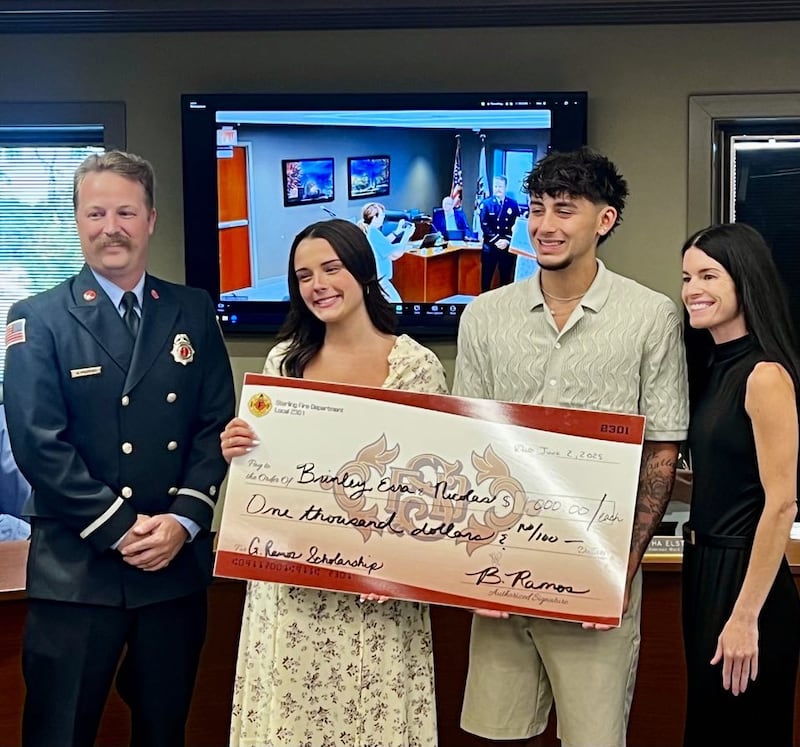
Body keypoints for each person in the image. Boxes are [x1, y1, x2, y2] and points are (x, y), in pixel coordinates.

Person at [454, 148, 688, 747]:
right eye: (536, 209)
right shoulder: (484, 315)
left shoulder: (649, 316)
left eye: (565, 209)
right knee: (498, 733)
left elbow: (661, 452)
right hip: (499, 571)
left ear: (603, 221)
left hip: (596, 576)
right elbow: (465, 441)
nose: (544, 225)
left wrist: (619, 571)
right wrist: (472, 570)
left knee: (593, 738)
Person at [3, 150, 235, 747]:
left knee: (166, 732)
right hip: (78, 569)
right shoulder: (37, 319)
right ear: (77, 221)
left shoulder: (192, 309)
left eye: (126, 211)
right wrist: (122, 527)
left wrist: (184, 521)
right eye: (96, 212)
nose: (112, 227)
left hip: (172, 567)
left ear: (151, 219)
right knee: (59, 733)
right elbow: (37, 444)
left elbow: (214, 425)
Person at [223, 218, 446, 747]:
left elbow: (431, 491)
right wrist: (239, 447)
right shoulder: (283, 363)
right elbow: (268, 479)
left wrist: (395, 568)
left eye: (331, 268)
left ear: (364, 272)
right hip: (291, 592)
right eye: (304, 276)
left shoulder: (414, 367)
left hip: (378, 593)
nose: (318, 284)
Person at [680, 223, 800, 747]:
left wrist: (745, 617)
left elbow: (780, 505)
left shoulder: (764, 376)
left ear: (744, 281)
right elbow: (720, 483)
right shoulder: (713, 369)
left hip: (746, 584)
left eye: (708, 274)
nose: (692, 289)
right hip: (704, 571)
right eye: (686, 277)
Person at [358, 201, 414, 301]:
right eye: (382, 215)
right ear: (374, 217)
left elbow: (383, 245)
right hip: (381, 282)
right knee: (397, 306)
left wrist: (398, 231)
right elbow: (395, 254)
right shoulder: (374, 233)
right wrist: (406, 236)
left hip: (374, 281)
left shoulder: (369, 231)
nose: (383, 218)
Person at [478, 175, 521, 291]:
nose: (498, 189)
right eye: (496, 186)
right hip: (490, 247)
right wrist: (497, 240)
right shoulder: (486, 204)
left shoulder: (513, 204)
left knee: (505, 279)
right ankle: (483, 303)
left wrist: (507, 240)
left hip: (506, 248)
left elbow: (516, 225)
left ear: (505, 187)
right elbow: (484, 225)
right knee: (486, 278)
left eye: (500, 186)